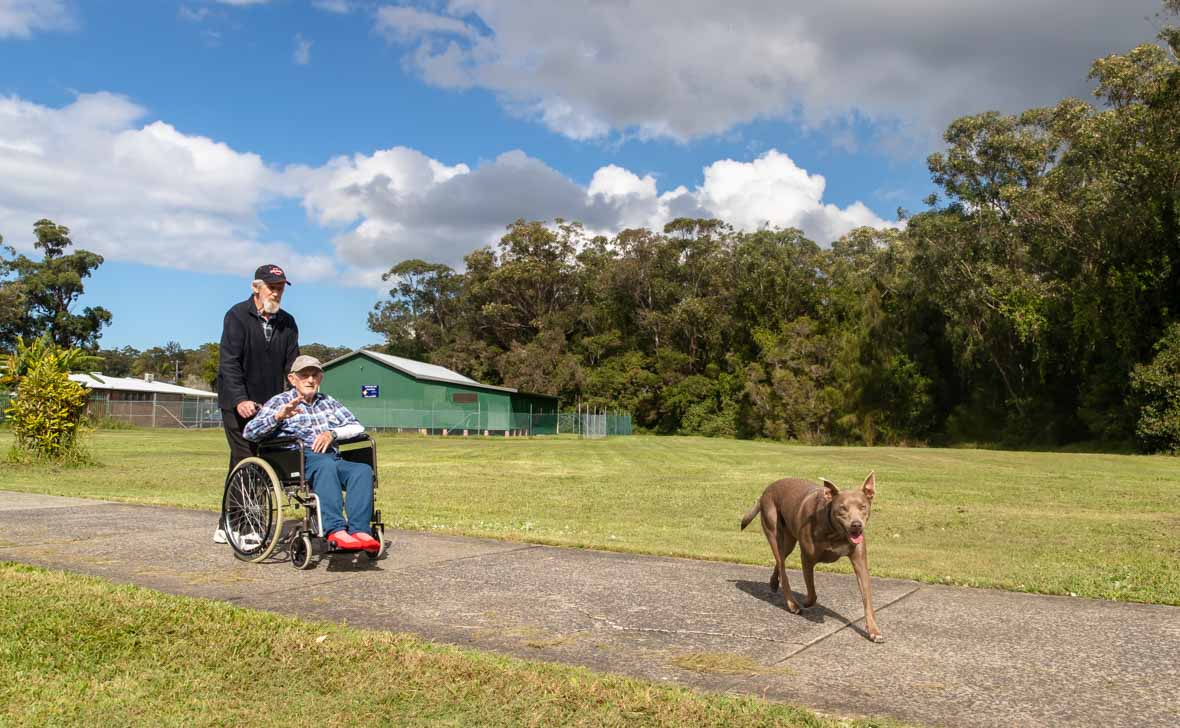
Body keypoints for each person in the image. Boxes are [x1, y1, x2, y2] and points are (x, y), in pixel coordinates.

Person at [243, 355, 379, 552]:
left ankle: (360, 531)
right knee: (326, 466)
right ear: (292, 379)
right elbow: (250, 432)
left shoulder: (328, 401)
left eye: (314, 375)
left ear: (320, 378)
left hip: (330, 456)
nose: (310, 380)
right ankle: (335, 529)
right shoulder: (280, 401)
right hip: (297, 458)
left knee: (362, 471)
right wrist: (278, 416)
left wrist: (332, 433)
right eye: (304, 375)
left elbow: (357, 426)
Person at [214, 264, 300, 543]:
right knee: (248, 459)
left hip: (269, 407)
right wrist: (240, 399)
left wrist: (300, 392)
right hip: (237, 403)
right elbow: (229, 362)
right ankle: (244, 527)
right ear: (256, 288)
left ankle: (225, 524)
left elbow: (292, 365)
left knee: (248, 461)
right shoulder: (237, 316)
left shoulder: (287, 322)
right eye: (271, 287)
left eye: (280, 288)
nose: (276, 293)